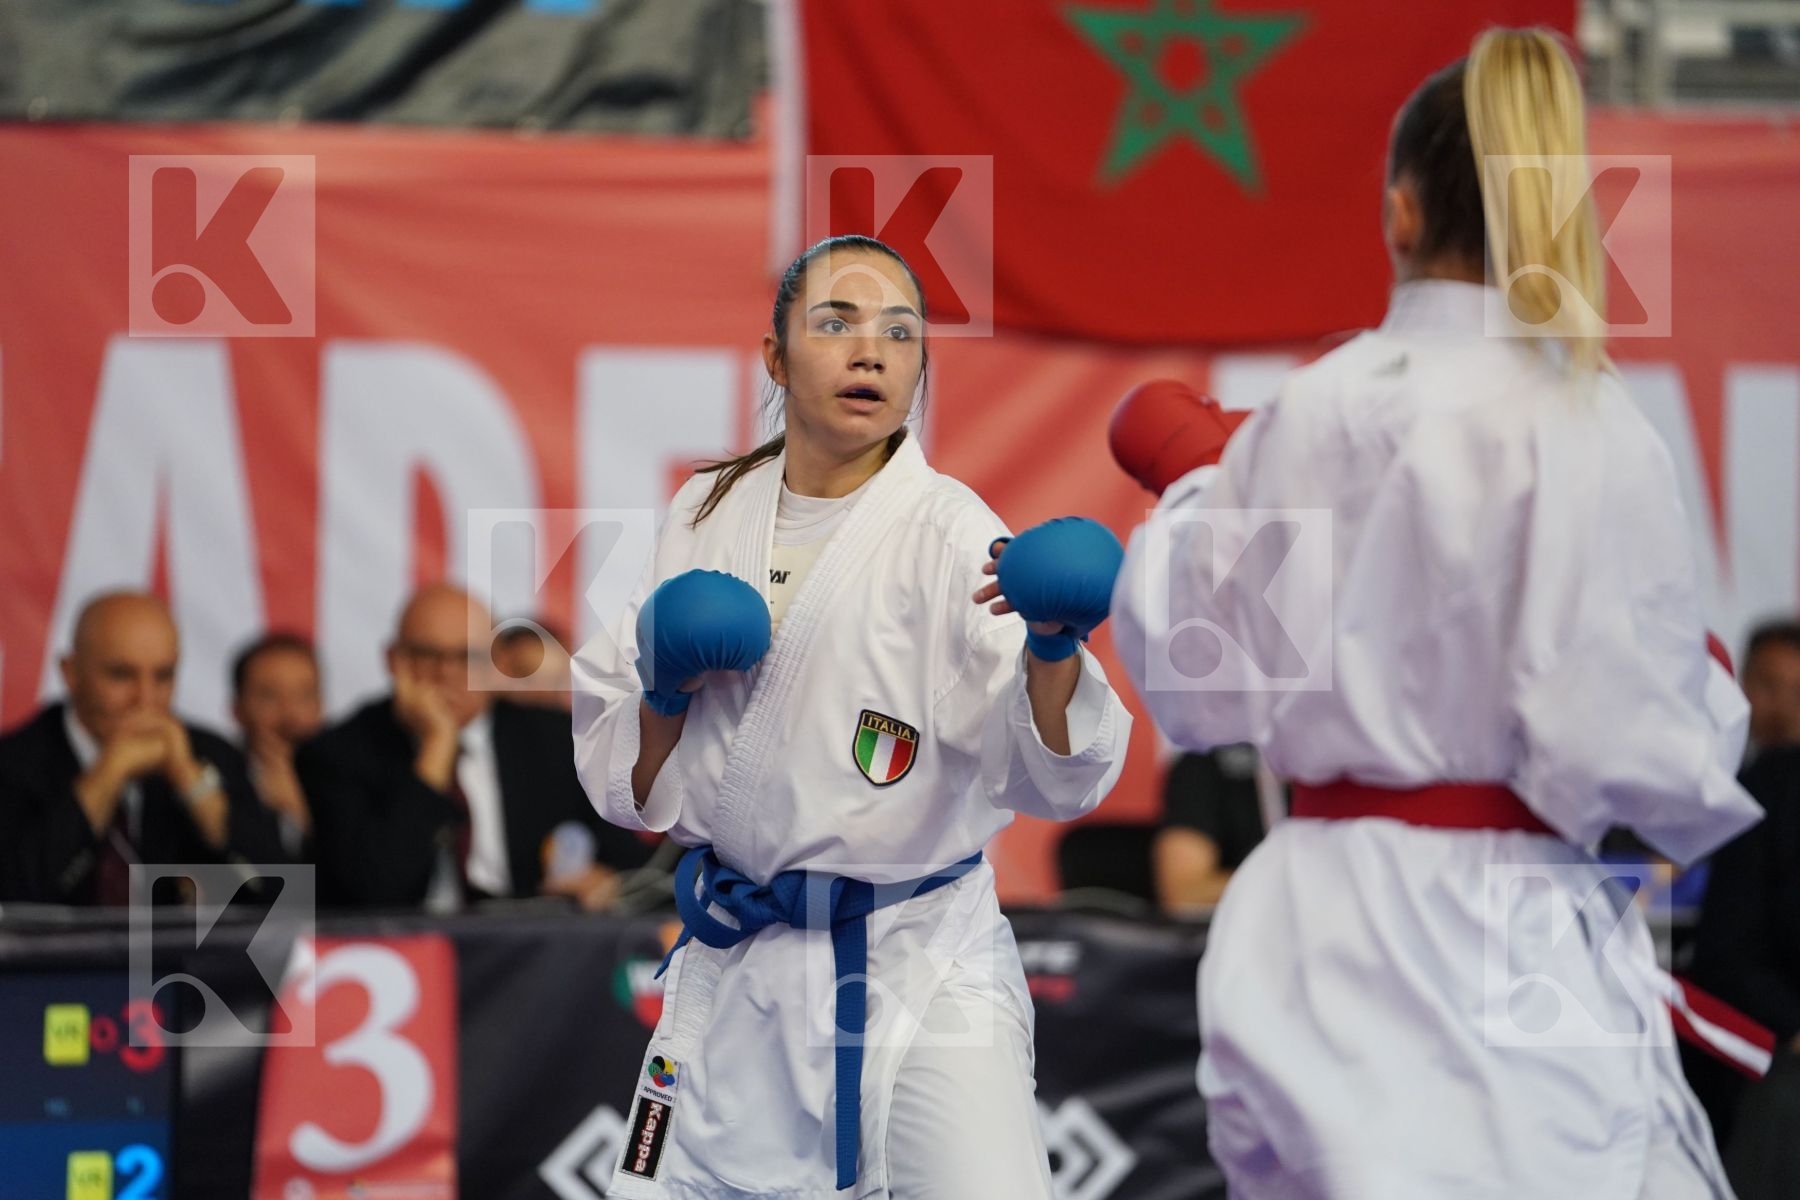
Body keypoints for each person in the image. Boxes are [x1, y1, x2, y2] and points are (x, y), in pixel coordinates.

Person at [1111, 29, 1761, 1199]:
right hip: (1513, 920)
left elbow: (1201, 692)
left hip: (1314, 921)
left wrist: (1201, 493)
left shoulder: (1309, 410)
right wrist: (1702, 695)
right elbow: (1641, 758)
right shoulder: (1587, 418)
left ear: (1400, 216)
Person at [572, 233, 1131, 1198]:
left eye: (900, 333)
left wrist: (1052, 650)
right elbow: (630, 790)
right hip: (739, 967)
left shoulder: (954, 533)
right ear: (775, 357)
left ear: (919, 366)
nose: (870, 351)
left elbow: (1055, 777)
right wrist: (662, 694)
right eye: (835, 324)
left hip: (920, 964)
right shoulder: (704, 511)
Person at [298, 583, 647, 910]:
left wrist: (606, 881)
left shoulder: (559, 741)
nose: (446, 673)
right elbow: (375, 892)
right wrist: (436, 748)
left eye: (466, 657)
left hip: (535, 957)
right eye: (426, 655)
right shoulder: (338, 754)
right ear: (394, 660)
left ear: (500, 665)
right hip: (402, 960)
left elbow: (633, 867)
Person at [0, 591, 287, 905]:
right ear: (71, 673)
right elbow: (17, 893)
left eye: (163, 676)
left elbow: (283, 896)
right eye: (121, 675)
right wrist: (107, 774)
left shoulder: (209, 755)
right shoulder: (14, 763)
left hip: (175, 956)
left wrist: (194, 785)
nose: (145, 698)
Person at [231, 632, 325, 861]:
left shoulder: (350, 781)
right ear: (238, 709)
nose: (290, 715)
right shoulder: (215, 778)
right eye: (269, 696)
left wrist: (301, 811)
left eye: (304, 696)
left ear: (321, 705)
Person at [1154, 746, 1272, 912]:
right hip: (1243, 928)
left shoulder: (1317, 777)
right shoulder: (1204, 764)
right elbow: (1184, 895)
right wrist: (1281, 882)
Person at [1740, 619, 1800, 765]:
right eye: (1769, 686)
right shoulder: (1715, 762)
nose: (1783, 708)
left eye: (1798, 691)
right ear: (1745, 683)